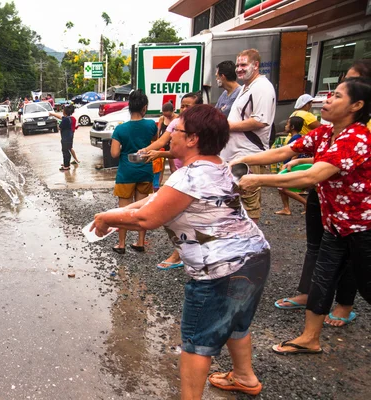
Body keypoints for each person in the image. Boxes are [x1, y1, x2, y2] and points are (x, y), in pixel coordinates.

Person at [92, 105, 270, 398]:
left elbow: (148, 218)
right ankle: (244, 376)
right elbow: (158, 199)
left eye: (176, 130)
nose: (169, 134)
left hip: (219, 268)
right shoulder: (217, 166)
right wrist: (110, 212)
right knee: (236, 318)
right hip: (255, 257)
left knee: (197, 341)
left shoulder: (188, 176)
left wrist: (106, 219)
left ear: (193, 139)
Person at [234, 77, 371, 355]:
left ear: (356, 105)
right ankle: (310, 338)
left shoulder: (356, 138)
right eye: (330, 94)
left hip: (362, 228)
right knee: (322, 278)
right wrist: (238, 161)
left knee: (367, 285)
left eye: (337, 96)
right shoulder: (324, 133)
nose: (328, 99)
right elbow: (284, 151)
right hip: (335, 224)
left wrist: (259, 180)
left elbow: (313, 175)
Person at [143, 93, 203, 269]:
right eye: (182, 106)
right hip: (179, 172)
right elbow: (163, 141)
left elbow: (178, 151)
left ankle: (181, 254)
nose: (184, 110)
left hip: (195, 174)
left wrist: (160, 153)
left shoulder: (201, 127)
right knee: (178, 215)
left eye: (188, 106)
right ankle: (181, 252)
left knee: (189, 215)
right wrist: (144, 150)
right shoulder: (177, 123)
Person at [221, 49, 276, 224]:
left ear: (256, 65)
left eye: (243, 65)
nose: (239, 69)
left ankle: (252, 247)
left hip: (250, 155)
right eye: (237, 65)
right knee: (234, 202)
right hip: (237, 155)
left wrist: (227, 126)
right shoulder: (247, 87)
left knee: (249, 202)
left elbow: (261, 121)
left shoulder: (262, 87)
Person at [109, 89, 157, 254]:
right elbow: (154, 145)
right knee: (141, 210)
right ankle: (140, 242)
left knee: (124, 211)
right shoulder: (151, 125)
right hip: (145, 172)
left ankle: (121, 244)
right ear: (144, 108)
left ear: (129, 107)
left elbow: (114, 154)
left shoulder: (120, 130)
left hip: (126, 174)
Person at [273, 116, 308, 216]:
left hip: (290, 167)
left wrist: (288, 167)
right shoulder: (296, 137)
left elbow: (295, 154)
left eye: (287, 124)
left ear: (292, 127)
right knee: (282, 189)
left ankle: (306, 204)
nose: (285, 126)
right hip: (289, 165)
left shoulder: (296, 138)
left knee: (283, 188)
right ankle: (286, 208)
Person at [49, 105, 75, 171]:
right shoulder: (68, 118)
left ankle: (66, 166)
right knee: (67, 151)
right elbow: (60, 117)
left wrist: (57, 123)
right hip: (68, 136)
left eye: (63, 110)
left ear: (65, 112)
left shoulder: (65, 119)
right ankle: (66, 164)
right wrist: (52, 114)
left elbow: (59, 127)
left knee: (65, 151)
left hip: (66, 137)